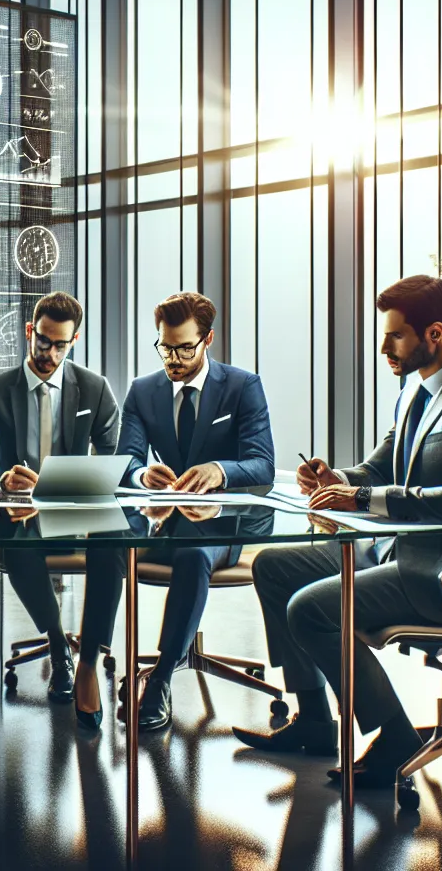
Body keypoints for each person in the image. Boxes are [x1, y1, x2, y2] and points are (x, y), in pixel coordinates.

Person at [231, 275, 442, 790]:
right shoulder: (417, 393)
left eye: (395, 336)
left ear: (434, 333)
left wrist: (363, 499)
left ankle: (395, 738)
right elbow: (381, 466)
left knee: (309, 610)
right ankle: (316, 723)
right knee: (274, 567)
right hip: (402, 556)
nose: (384, 347)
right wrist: (338, 479)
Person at [115, 291, 275, 731]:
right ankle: (86, 666)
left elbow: (263, 463)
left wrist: (219, 471)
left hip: (224, 523)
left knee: (194, 553)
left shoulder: (243, 386)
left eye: (185, 347)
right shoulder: (143, 392)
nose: (174, 358)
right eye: (165, 346)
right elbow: (125, 459)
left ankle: (161, 678)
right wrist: (141, 475)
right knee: (107, 542)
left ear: (208, 340)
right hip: (163, 521)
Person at [0, 291, 122, 725]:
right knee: (18, 539)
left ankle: (87, 662)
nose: (50, 353)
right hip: (20, 509)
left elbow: (117, 462)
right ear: (30, 332)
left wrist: (63, 489)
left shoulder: (94, 389)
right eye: (44, 341)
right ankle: (59, 643)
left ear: (74, 340)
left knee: (114, 536)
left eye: (61, 344)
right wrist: (2, 481)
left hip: (73, 506)